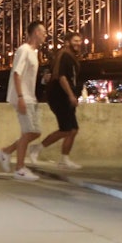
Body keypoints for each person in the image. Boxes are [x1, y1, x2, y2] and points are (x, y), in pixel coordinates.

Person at [0, 21, 46, 181]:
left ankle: (6, 152)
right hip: (23, 97)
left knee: (35, 132)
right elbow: (17, 74)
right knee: (28, 132)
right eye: (43, 32)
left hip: (30, 97)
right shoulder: (23, 50)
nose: (45, 35)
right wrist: (20, 97)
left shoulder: (34, 52)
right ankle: (19, 169)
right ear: (35, 33)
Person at [27, 32, 83, 169]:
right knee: (66, 130)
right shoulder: (64, 55)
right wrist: (71, 95)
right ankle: (36, 149)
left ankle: (64, 159)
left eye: (80, 41)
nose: (78, 43)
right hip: (59, 96)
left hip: (66, 97)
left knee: (73, 129)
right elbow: (62, 77)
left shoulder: (72, 57)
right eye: (75, 40)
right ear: (67, 42)